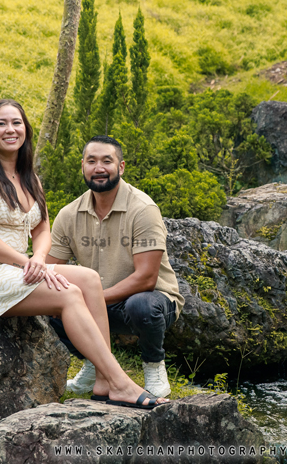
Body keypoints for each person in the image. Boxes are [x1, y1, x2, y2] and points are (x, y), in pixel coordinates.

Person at [0, 99, 167, 410]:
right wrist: (28, 262)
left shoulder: (29, 178)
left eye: (17, 123)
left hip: (14, 268)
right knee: (68, 295)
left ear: (26, 130)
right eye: (1, 123)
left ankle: (103, 382)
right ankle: (120, 382)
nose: (10, 129)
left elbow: (42, 230)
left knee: (89, 279)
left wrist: (39, 257)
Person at [46, 135, 184, 398]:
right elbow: (51, 270)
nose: (99, 168)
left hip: (148, 302)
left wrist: (90, 298)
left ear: (120, 167)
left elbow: (146, 279)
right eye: (92, 161)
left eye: (107, 161)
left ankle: (153, 366)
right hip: (98, 304)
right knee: (47, 307)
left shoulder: (142, 209)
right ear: (83, 167)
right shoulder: (68, 215)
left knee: (142, 305)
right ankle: (95, 364)